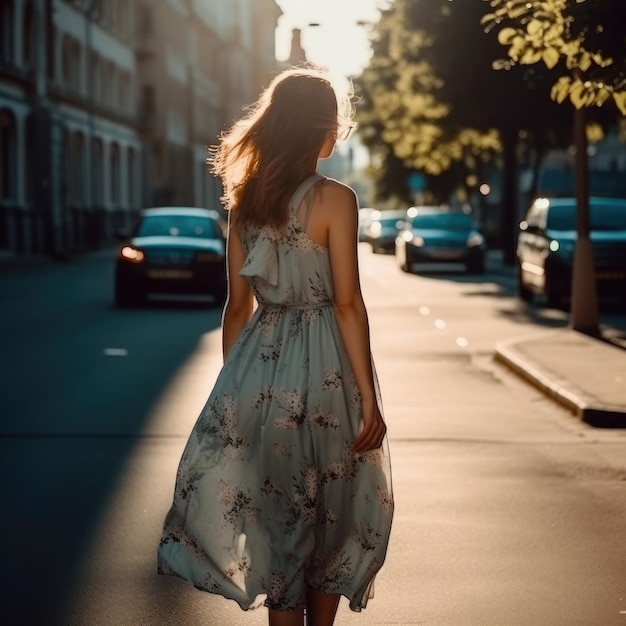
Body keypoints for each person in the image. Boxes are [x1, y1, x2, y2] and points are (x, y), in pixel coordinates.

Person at [157, 66, 393, 626]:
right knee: (332, 520)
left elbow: (236, 308)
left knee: (279, 520)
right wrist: (367, 396)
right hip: (329, 374)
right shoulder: (336, 198)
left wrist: (235, 393)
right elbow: (347, 304)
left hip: (262, 374)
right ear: (321, 129)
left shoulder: (245, 202)